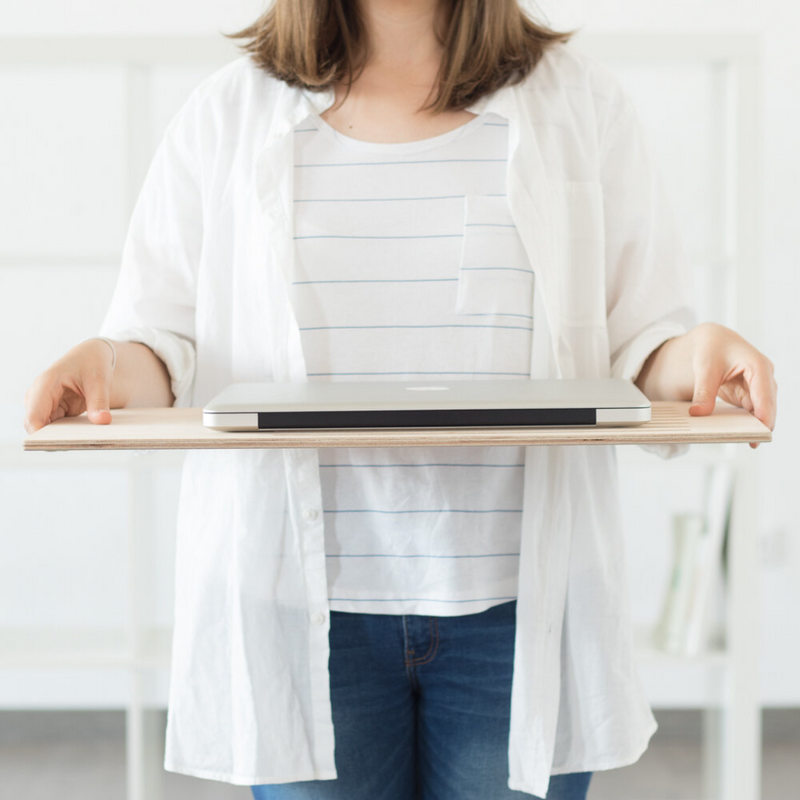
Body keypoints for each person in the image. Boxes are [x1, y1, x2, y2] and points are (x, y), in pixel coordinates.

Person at [23, 1, 777, 798]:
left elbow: (640, 343)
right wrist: (110, 361)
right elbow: (162, 346)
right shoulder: (226, 113)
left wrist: (693, 355)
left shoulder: (581, 104)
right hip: (301, 613)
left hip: (518, 615)